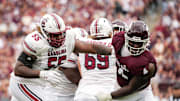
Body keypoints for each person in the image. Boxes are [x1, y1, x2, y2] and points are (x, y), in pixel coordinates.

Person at [9, 13, 112, 101]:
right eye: (54, 35)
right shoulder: (36, 43)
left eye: (61, 34)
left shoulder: (68, 40)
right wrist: (42, 74)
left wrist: (112, 50)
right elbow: (18, 70)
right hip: (24, 83)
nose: (58, 38)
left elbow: (92, 47)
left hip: (43, 85)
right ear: (44, 33)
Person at [96, 21, 157, 101]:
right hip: (120, 86)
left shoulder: (147, 63)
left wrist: (110, 95)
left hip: (141, 92)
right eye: (132, 42)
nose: (135, 47)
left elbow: (131, 88)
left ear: (145, 42)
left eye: (138, 44)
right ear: (126, 38)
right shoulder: (118, 41)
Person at [74, 18, 116, 101]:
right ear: (110, 32)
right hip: (110, 90)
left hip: (85, 92)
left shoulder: (82, 43)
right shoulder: (116, 43)